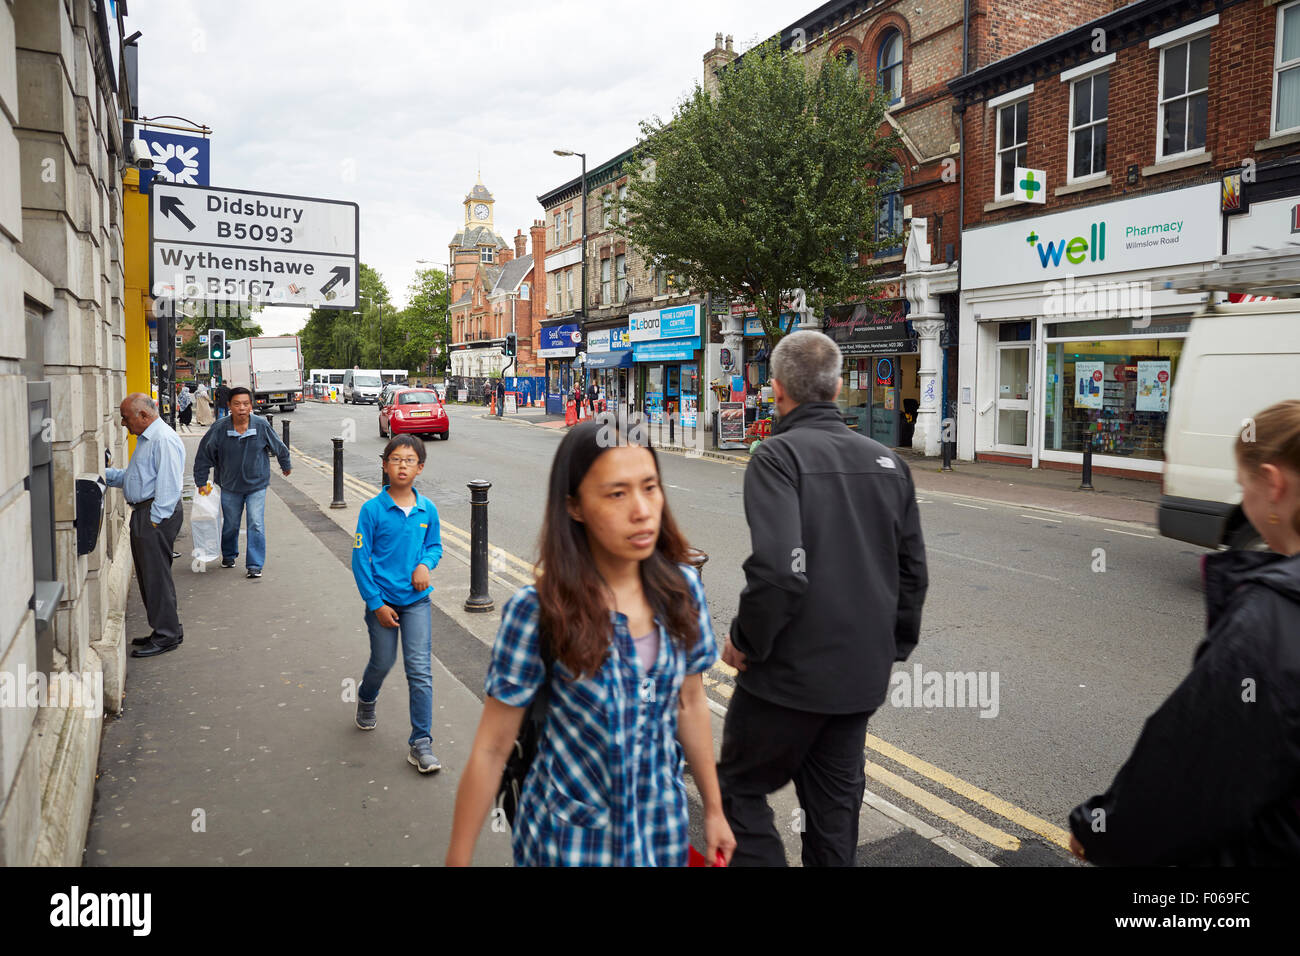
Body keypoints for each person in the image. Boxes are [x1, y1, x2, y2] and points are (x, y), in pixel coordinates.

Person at [446, 417, 736, 866]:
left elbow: (691, 703)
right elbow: (492, 747)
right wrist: (458, 858)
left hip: (660, 836)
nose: (641, 510)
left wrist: (714, 811)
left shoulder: (682, 590)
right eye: (616, 493)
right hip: (569, 844)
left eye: (650, 487)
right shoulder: (539, 610)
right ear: (575, 507)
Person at [718, 330, 929, 866]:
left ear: (778, 391)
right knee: (834, 824)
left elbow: (780, 570)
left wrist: (746, 641)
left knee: (738, 790)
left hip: (784, 682)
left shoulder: (776, 457)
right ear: (836, 389)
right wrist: (890, 648)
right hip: (856, 682)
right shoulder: (889, 465)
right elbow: (913, 574)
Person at [1068, 400, 1300, 866]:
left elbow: (1192, 771)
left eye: (1244, 487)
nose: (1243, 504)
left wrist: (1101, 827)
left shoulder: (1270, 620)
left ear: (1274, 485)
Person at [351, 435, 444, 773]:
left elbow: (434, 547)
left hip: (417, 602)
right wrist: (376, 603)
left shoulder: (427, 509)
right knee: (383, 660)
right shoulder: (372, 510)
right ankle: (366, 696)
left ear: (420, 467)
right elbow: (360, 560)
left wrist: (425, 565)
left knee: (419, 670)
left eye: (409, 460)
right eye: (395, 459)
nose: (402, 465)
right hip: (383, 602)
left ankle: (421, 743)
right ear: (384, 465)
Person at [104, 394, 188, 659]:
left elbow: (168, 486)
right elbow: (136, 478)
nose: (122, 423)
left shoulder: (162, 439)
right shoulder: (147, 439)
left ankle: (167, 635)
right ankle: (167, 628)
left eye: (126, 417)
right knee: (152, 577)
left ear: (143, 416)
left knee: (155, 577)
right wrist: (103, 475)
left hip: (154, 514)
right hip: (148, 513)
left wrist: (154, 519)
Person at [192, 387, 291, 579]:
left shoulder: (260, 426)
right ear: (229, 406)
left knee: (255, 523)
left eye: (246, 404)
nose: (242, 408)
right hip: (230, 486)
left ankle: (254, 564)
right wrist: (201, 481)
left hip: (257, 485)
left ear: (251, 406)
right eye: (237, 404)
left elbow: (279, 447)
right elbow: (204, 455)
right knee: (231, 524)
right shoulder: (220, 428)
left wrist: (285, 465)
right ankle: (229, 554)